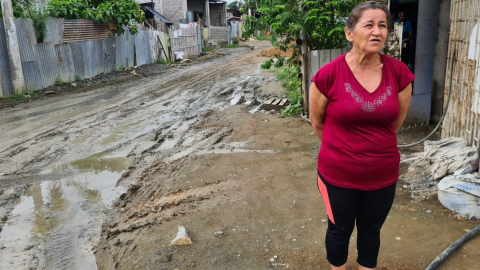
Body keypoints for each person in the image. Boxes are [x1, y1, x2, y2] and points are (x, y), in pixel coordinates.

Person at [309, 2, 415, 270]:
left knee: (371, 233)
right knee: (338, 230)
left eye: (383, 26)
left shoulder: (399, 74)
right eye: (369, 25)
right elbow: (317, 122)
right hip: (337, 175)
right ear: (349, 33)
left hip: (382, 175)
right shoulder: (327, 75)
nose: (377, 32)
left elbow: (396, 122)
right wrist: (343, 151)